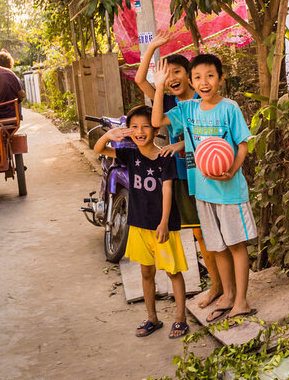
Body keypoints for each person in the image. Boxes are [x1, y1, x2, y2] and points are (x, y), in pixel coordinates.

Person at [151, 54, 257, 323]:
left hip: (230, 192)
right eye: (197, 77)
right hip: (203, 191)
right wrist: (160, 85)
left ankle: (242, 300)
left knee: (235, 245)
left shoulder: (229, 108)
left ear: (220, 78)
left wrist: (232, 170)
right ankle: (228, 295)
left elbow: (242, 143)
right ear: (190, 81)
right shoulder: (187, 110)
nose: (203, 82)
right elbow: (155, 122)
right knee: (217, 246)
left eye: (210, 75)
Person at [134, 35, 223, 310]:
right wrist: (151, 49)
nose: (172, 77)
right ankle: (217, 286)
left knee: (212, 231)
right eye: (166, 73)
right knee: (198, 233)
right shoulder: (168, 103)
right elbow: (140, 81)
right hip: (184, 174)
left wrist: (181, 142)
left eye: (177, 72)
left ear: (189, 76)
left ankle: (222, 287)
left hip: (209, 171)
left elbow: (210, 131)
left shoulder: (202, 97)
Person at [94, 105, 189, 339]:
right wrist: (108, 135)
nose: (139, 131)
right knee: (146, 273)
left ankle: (180, 319)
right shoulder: (130, 154)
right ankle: (152, 318)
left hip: (162, 227)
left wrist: (164, 222)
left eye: (145, 126)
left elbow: (168, 191)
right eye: (134, 127)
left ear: (156, 130)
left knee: (173, 272)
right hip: (138, 224)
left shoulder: (165, 157)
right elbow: (100, 149)